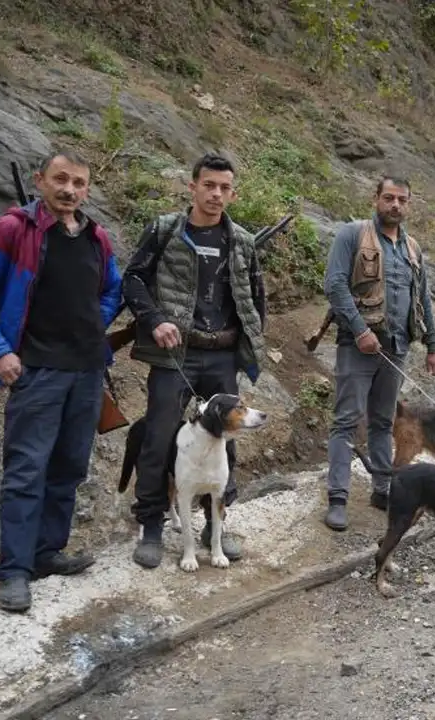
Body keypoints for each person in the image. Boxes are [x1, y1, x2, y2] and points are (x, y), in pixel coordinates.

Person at [0, 150, 123, 613]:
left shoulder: (96, 237)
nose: (69, 189)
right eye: (60, 179)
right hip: (37, 371)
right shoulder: (11, 230)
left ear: (87, 189)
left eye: (79, 183)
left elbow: (113, 289)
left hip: (87, 372)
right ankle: (14, 570)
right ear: (40, 181)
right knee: (26, 470)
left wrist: (95, 324)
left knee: (69, 468)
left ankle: (47, 553)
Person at [122, 152, 268, 569]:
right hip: (174, 353)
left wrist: (249, 346)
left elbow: (255, 299)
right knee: (158, 437)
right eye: (209, 185)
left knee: (226, 440)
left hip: (221, 354)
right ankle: (151, 524)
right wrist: (154, 320)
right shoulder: (165, 230)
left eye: (224, 187)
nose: (216, 194)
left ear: (233, 193)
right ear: (192, 187)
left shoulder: (242, 241)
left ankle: (214, 524)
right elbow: (133, 279)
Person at [321, 175, 435, 531]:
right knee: (346, 420)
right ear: (375, 198)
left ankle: (382, 489)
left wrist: (434, 346)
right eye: (388, 198)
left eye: (402, 200)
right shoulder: (352, 235)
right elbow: (334, 284)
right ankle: (338, 498)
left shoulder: (412, 249)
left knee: (383, 422)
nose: (395, 205)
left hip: (397, 348)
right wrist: (360, 330)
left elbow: (422, 299)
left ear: (409, 204)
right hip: (356, 346)